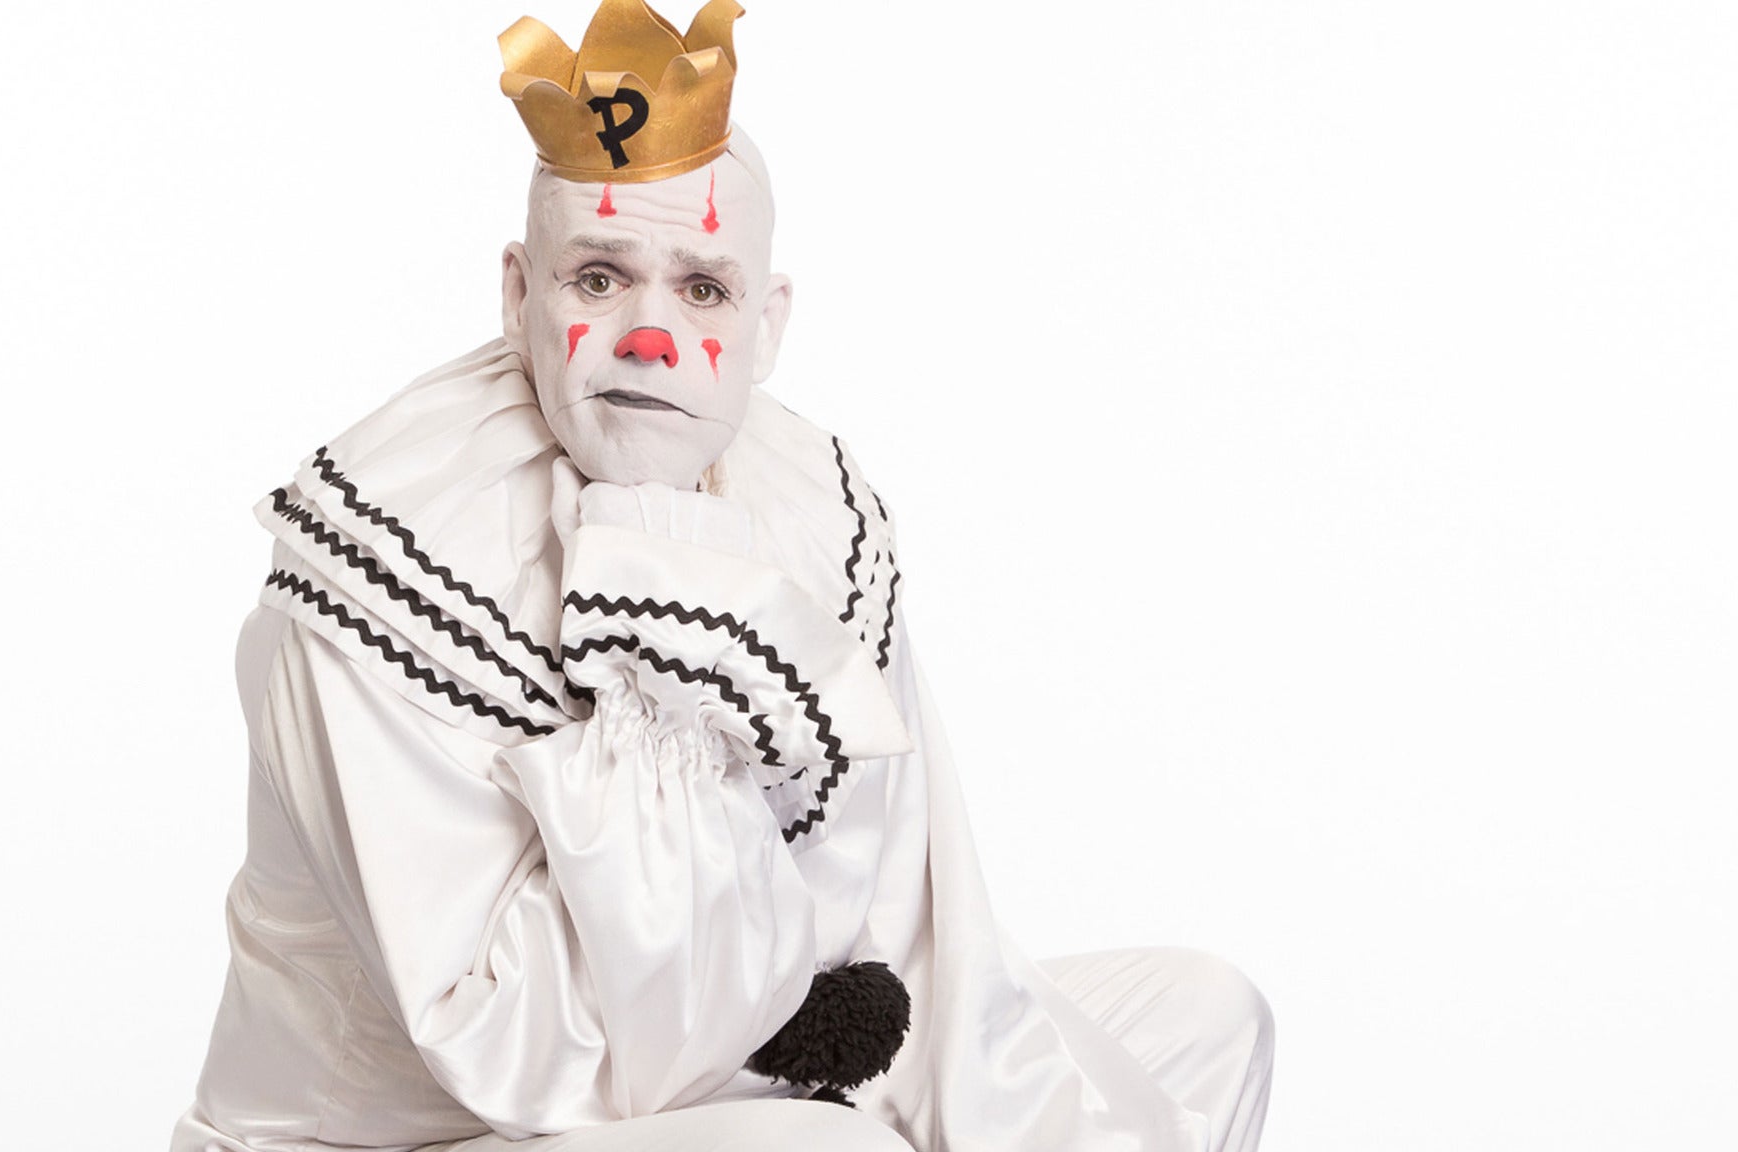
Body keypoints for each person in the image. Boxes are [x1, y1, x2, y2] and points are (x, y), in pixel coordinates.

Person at [172, 3, 1273, 1149]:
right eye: (598, 278)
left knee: (1204, 1021)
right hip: (434, 1128)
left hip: (735, 1065)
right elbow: (525, 1053)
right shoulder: (382, 562)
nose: (647, 337)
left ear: (766, 322)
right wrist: (654, 601)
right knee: (826, 1146)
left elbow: (904, 935)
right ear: (517, 294)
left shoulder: (808, 510)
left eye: (701, 290)